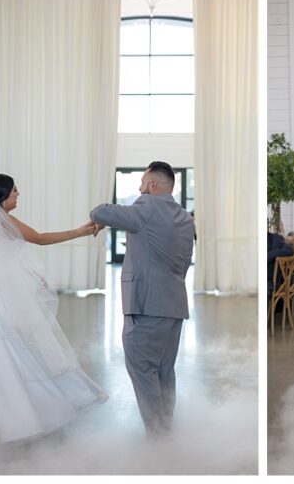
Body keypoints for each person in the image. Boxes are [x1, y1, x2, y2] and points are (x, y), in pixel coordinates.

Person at [0, 173, 107, 444]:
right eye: (14, 191)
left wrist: (30, 277)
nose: (18, 194)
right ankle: (14, 410)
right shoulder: (4, 220)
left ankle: (1, 405)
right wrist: (81, 231)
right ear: (2, 196)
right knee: (12, 346)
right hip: (0, 289)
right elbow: (40, 238)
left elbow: (2, 257)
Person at [90, 161, 196, 438]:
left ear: (152, 185)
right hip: (174, 305)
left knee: (142, 367)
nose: (139, 188)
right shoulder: (185, 218)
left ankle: (157, 438)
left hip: (147, 305)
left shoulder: (146, 207)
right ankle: (166, 431)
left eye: (142, 183)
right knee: (164, 371)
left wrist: (108, 216)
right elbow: (184, 263)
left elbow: (100, 211)